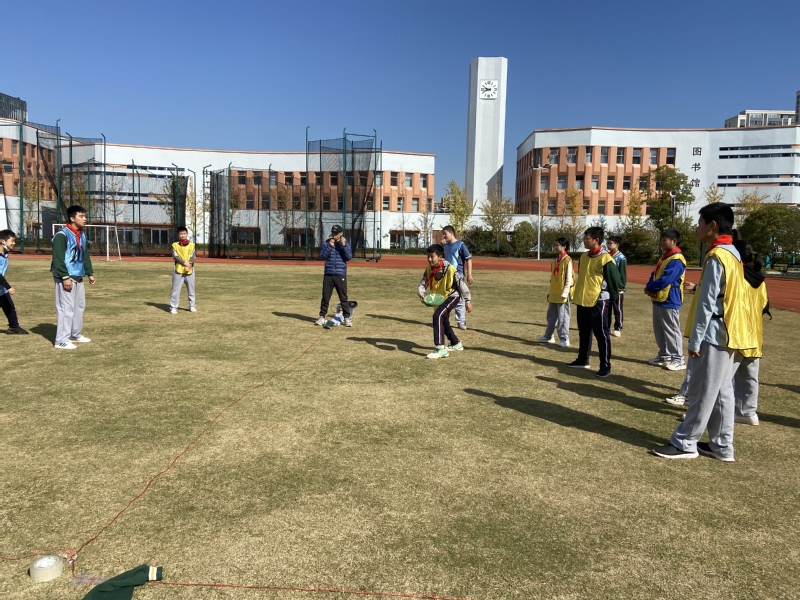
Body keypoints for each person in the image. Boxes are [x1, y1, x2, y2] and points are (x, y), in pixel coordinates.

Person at [652, 203, 758, 461]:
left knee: (702, 390)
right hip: (730, 332)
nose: (696, 227)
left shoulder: (717, 256)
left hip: (715, 333)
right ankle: (722, 445)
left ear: (713, 225)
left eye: (699, 223)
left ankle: (685, 442)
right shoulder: (732, 253)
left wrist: (695, 340)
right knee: (721, 391)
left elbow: (707, 304)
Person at [567, 227, 622, 378]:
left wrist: (610, 299)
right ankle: (582, 359)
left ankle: (605, 366)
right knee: (584, 332)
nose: (584, 241)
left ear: (596, 240)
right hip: (582, 300)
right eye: (584, 238)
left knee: (601, 334)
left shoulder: (606, 259)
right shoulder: (584, 256)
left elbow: (615, 281)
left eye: (587, 239)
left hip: (598, 301)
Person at [732, 237, 771, 426]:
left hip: (736, 334)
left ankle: (714, 413)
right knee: (749, 377)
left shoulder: (736, 276)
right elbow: (764, 305)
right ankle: (748, 412)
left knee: (722, 378)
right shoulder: (760, 280)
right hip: (754, 335)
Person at [51, 205, 96, 350]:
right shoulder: (62, 235)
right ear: (72, 218)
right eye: (81, 216)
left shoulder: (82, 234)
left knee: (79, 307)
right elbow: (58, 258)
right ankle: (61, 340)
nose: (85, 219)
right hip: (65, 276)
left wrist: (89, 272)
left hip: (78, 276)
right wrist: (64, 277)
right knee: (66, 308)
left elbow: (85, 255)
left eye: (85, 216)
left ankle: (74, 334)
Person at [417, 244, 472, 359]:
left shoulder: (450, 268)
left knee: (437, 316)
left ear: (440, 257)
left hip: (452, 296)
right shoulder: (429, 269)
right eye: (428, 256)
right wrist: (421, 292)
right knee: (443, 320)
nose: (429, 259)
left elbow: (461, 284)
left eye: (432, 257)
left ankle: (440, 349)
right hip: (439, 298)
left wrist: (468, 300)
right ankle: (455, 343)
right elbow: (423, 283)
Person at [644, 229, 686, 371]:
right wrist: (649, 286)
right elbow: (655, 274)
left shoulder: (677, 259)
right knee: (659, 329)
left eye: (664, 240)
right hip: (659, 297)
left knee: (671, 329)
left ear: (674, 241)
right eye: (661, 240)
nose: (662, 243)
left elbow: (666, 279)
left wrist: (651, 287)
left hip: (670, 298)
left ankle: (678, 359)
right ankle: (664, 355)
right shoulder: (666, 257)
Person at [537, 237, 573, 347]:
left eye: (557, 245)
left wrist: (565, 292)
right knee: (551, 316)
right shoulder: (555, 261)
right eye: (555, 245)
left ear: (564, 247)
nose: (555, 247)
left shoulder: (567, 260)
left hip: (563, 295)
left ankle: (564, 339)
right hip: (554, 293)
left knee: (563, 318)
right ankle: (549, 336)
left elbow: (569, 278)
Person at [315, 224, 353, 327]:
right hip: (328, 274)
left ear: (341, 233)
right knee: (325, 297)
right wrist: (330, 246)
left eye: (336, 233)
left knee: (343, 298)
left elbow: (349, 257)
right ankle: (322, 317)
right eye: (333, 232)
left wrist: (343, 245)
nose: (334, 234)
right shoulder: (327, 243)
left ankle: (347, 318)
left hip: (340, 274)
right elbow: (322, 256)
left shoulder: (345, 243)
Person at [441, 225, 473, 330]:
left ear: (451, 233)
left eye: (445, 234)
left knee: (460, 299)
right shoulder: (445, 245)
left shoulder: (461, 245)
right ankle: (444, 320)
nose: (444, 236)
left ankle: (461, 321)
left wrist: (469, 274)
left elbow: (468, 259)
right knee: (446, 297)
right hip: (447, 275)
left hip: (458, 275)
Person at [0, 229, 28, 334]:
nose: (14, 243)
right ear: (3, 241)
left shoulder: (5, 253)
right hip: (2, 286)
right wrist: (8, 287)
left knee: (9, 306)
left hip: (1, 288)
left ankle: (14, 327)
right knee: (8, 305)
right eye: (12, 241)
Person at [169, 226, 196, 314]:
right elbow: (175, 256)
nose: (183, 235)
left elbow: (193, 256)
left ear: (187, 234)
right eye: (181, 234)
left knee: (191, 289)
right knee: (175, 289)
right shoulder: (175, 245)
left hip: (190, 270)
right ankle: (173, 307)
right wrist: (184, 263)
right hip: (178, 270)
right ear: (178, 235)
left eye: (184, 233)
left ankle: (192, 306)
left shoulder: (192, 245)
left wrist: (189, 264)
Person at [606, 235, 627, 337]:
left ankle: (618, 327)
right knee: (607, 309)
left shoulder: (621, 258)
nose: (608, 245)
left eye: (610, 243)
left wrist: (621, 286)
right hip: (607, 287)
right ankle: (607, 327)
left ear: (617, 244)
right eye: (607, 243)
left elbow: (622, 274)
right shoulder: (607, 256)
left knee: (617, 309)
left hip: (617, 288)